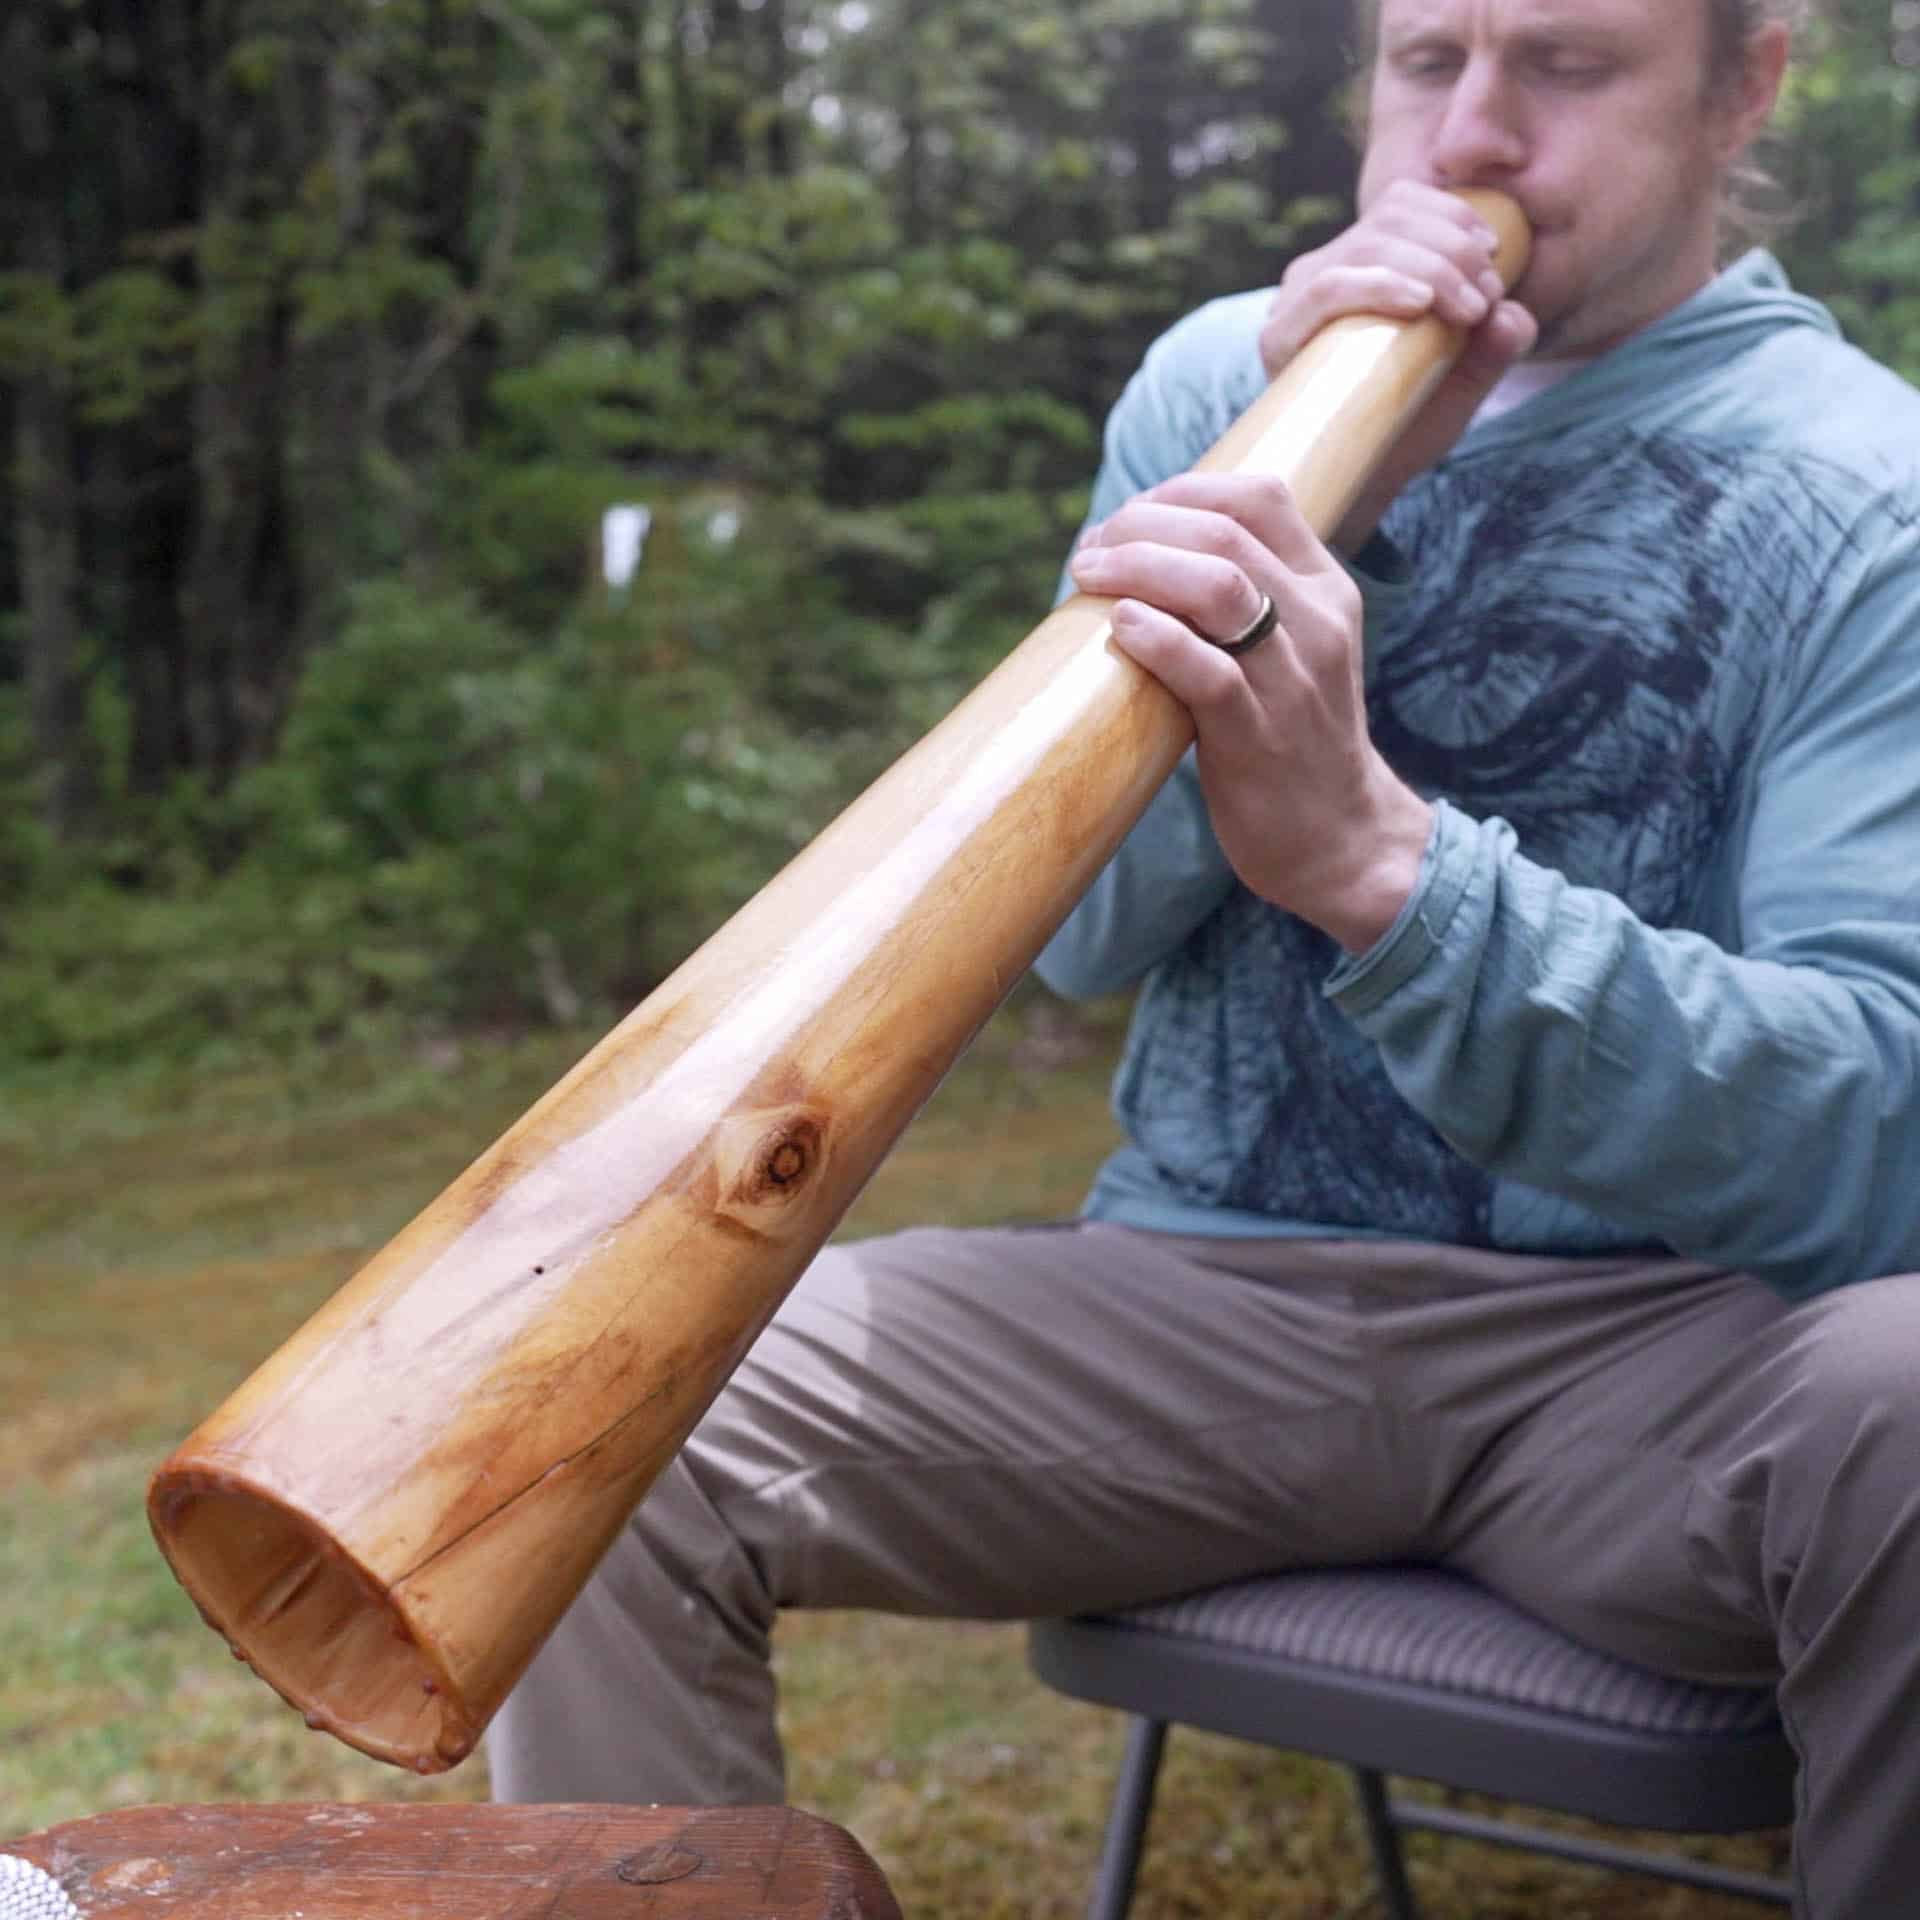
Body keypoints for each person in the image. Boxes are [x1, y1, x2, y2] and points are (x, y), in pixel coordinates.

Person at [491, 2, 1920, 1911]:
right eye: (1428, 64)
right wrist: (1322, 487)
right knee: (587, 1399)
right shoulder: (1222, 384)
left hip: (1672, 1347)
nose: (1472, 140)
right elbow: (1078, 936)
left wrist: (1387, 874)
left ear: (1745, 87)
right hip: (1214, 1308)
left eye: (1569, 67)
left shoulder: (1871, 488)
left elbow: (1878, 1130)